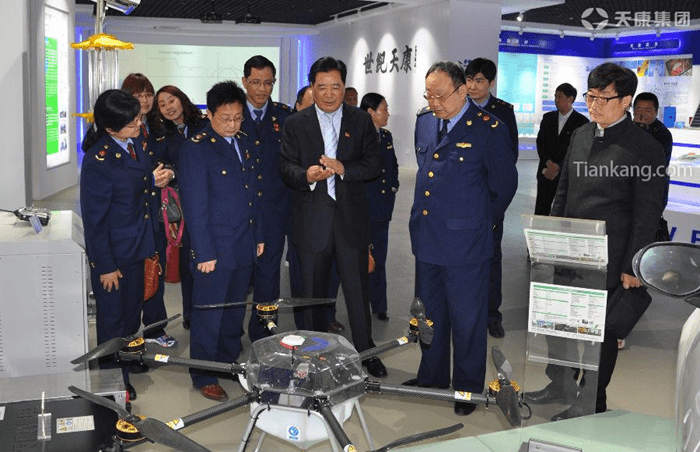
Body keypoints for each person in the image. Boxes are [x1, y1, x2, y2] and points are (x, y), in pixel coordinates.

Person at [525, 63, 666, 420]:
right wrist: (551, 238)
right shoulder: (581, 134)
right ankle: (560, 383)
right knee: (558, 323)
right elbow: (563, 190)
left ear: (626, 101)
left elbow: (648, 212)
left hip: (611, 257)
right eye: (590, 97)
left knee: (597, 335)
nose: (594, 105)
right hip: (570, 251)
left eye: (603, 98)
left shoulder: (645, 148)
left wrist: (632, 264)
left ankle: (591, 401)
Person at [407, 61, 518, 415]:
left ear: (462, 90)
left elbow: (503, 187)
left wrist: (478, 224)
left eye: (441, 96)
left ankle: (467, 388)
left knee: (468, 319)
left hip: (466, 243)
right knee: (429, 315)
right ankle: (432, 376)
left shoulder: (489, 128)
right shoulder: (426, 121)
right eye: (429, 95)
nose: (435, 102)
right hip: (427, 237)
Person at [279, 56, 387, 378]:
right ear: (312, 87)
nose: (329, 94)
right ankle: (312, 352)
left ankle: (366, 351)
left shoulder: (360, 120)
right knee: (312, 294)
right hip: (312, 221)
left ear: (344, 87)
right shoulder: (295, 123)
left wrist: (344, 169)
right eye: (322, 87)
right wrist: (306, 175)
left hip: (350, 222)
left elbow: (374, 164)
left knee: (357, 291)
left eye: (336, 87)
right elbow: (285, 167)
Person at [80, 89, 171, 402]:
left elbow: (139, 184)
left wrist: (155, 180)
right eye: (131, 122)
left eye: (138, 118)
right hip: (114, 254)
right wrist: (105, 266)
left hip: (138, 244)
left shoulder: (136, 141)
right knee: (113, 320)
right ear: (110, 128)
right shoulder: (98, 161)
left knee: (132, 313)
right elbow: (95, 221)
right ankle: (111, 379)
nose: (139, 124)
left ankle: (129, 359)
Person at [178, 81, 264, 402]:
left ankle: (228, 363)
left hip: (243, 244)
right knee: (208, 315)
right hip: (213, 250)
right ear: (210, 114)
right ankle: (204, 374)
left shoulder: (244, 141)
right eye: (226, 118)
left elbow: (254, 194)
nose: (232, 124)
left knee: (233, 312)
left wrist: (258, 237)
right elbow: (194, 206)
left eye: (238, 118)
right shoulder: (196, 148)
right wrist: (203, 251)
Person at [121, 73, 178, 350]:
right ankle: (129, 335)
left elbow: (177, 158)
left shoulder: (160, 127)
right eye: (138, 95)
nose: (144, 101)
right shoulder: (118, 129)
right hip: (129, 214)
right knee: (133, 277)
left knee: (156, 268)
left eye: (148, 95)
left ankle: (156, 327)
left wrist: (171, 173)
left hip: (157, 212)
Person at [240, 55, 294, 343]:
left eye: (268, 83)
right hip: (239, 213)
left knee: (269, 277)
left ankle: (263, 334)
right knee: (238, 276)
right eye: (256, 82)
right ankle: (230, 332)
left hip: (274, 212)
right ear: (244, 81)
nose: (262, 89)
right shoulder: (231, 113)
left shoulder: (284, 117)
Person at [465, 58, 519, 339]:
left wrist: (496, 203)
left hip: (490, 199)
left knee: (491, 256)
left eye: (479, 81)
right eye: (469, 80)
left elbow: (510, 157)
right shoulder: (457, 107)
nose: (473, 86)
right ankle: (464, 312)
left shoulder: (503, 112)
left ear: (491, 83)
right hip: (463, 197)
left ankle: (491, 315)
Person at [152, 85, 210, 330]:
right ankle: (190, 315)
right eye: (162, 104)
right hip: (182, 207)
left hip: (209, 201)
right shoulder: (161, 134)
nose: (168, 107)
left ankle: (209, 313)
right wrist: (169, 172)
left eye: (171, 100)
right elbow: (161, 163)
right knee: (188, 262)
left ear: (181, 99)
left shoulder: (204, 124)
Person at [360, 92, 399, 321]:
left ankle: (379, 304)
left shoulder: (386, 136)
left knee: (380, 258)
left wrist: (393, 186)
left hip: (382, 210)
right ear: (370, 112)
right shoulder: (358, 137)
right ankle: (360, 304)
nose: (388, 114)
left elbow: (392, 165)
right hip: (363, 209)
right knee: (361, 260)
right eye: (384, 109)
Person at [534, 83, 589, 216]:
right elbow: (541, 143)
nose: (556, 100)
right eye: (555, 96)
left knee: (562, 212)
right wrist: (548, 163)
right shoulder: (548, 118)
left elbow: (577, 149)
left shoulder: (581, 122)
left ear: (570, 99)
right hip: (546, 172)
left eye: (560, 97)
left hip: (565, 175)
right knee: (541, 209)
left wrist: (558, 166)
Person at [633, 92, 673, 208]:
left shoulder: (663, 134)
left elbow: (654, 162)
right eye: (639, 109)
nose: (642, 114)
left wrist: (643, 129)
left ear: (656, 112)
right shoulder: (629, 128)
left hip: (653, 190)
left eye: (648, 110)